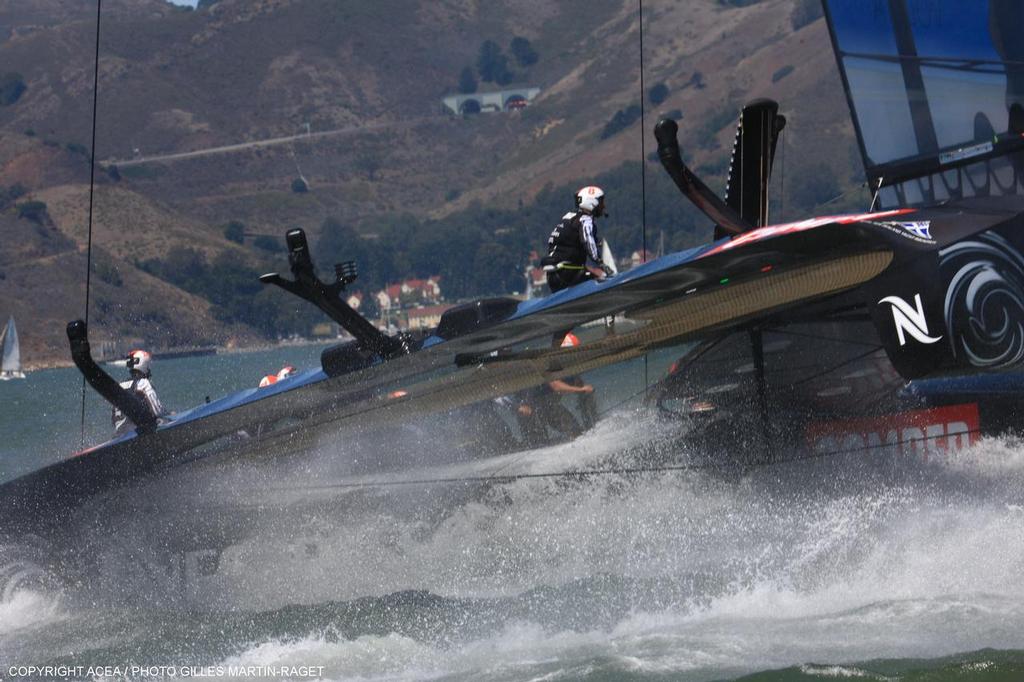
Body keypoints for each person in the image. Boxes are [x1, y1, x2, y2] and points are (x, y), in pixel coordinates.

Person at [541, 185, 615, 293]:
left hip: (553, 277)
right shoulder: (585, 220)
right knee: (602, 287)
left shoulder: (569, 217)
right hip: (568, 274)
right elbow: (588, 244)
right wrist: (602, 265)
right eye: (601, 202)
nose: (603, 206)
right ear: (592, 202)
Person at [112, 349, 165, 435]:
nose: (149, 370)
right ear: (144, 366)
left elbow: (114, 420)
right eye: (148, 366)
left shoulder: (119, 386)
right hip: (139, 434)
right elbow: (157, 412)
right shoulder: (143, 383)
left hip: (119, 436)